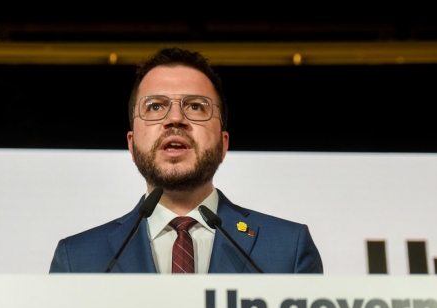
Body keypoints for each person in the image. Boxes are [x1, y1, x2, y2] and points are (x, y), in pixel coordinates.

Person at [49, 47, 322, 274]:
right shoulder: (78, 260)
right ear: (131, 145)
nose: (175, 119)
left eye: (195, 106)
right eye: (155, 107)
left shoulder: (289, 249)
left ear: (223, 144)